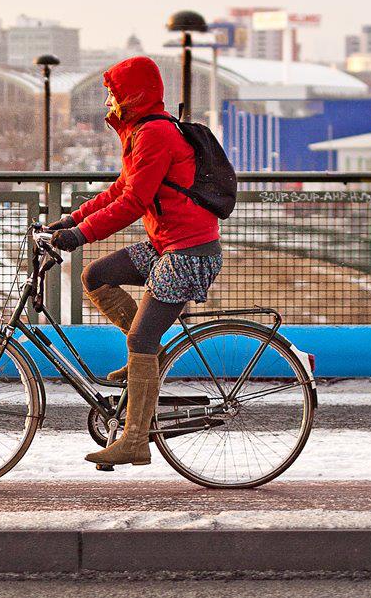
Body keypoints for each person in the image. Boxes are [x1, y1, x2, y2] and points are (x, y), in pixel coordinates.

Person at [45, 55, 222, 468]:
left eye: (113, 92)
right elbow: (118, 190)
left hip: (188, 251)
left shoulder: (156, 134)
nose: (108, 98)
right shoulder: (141, 132)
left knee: (140, 339)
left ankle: (136, 440)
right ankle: (149, 361)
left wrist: (79, 236)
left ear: (133, 95)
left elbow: (133, 202)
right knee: (97, 276)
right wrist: (72, 219)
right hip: (168, 245)